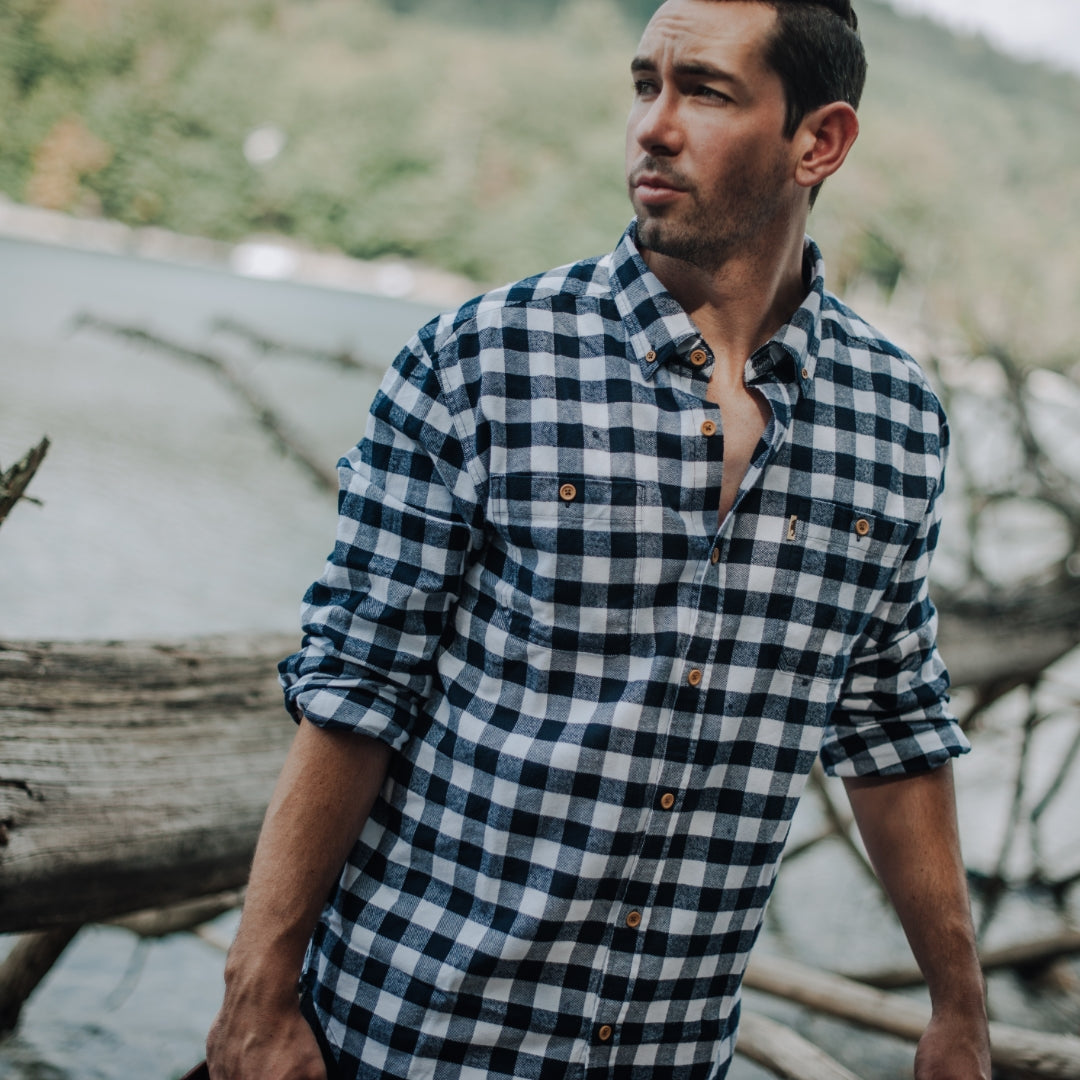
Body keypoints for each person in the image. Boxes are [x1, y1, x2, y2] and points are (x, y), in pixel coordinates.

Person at [207, 0, 992, 1077]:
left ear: (819, 140)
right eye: (644, 86)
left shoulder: (895, 421)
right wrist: (258, 991)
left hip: (671, 1052)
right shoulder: (481, 359)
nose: (652, 128)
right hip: (413, 1036)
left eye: (703, 91)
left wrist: (958, 1009)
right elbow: (357, 686)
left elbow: (891, 726)